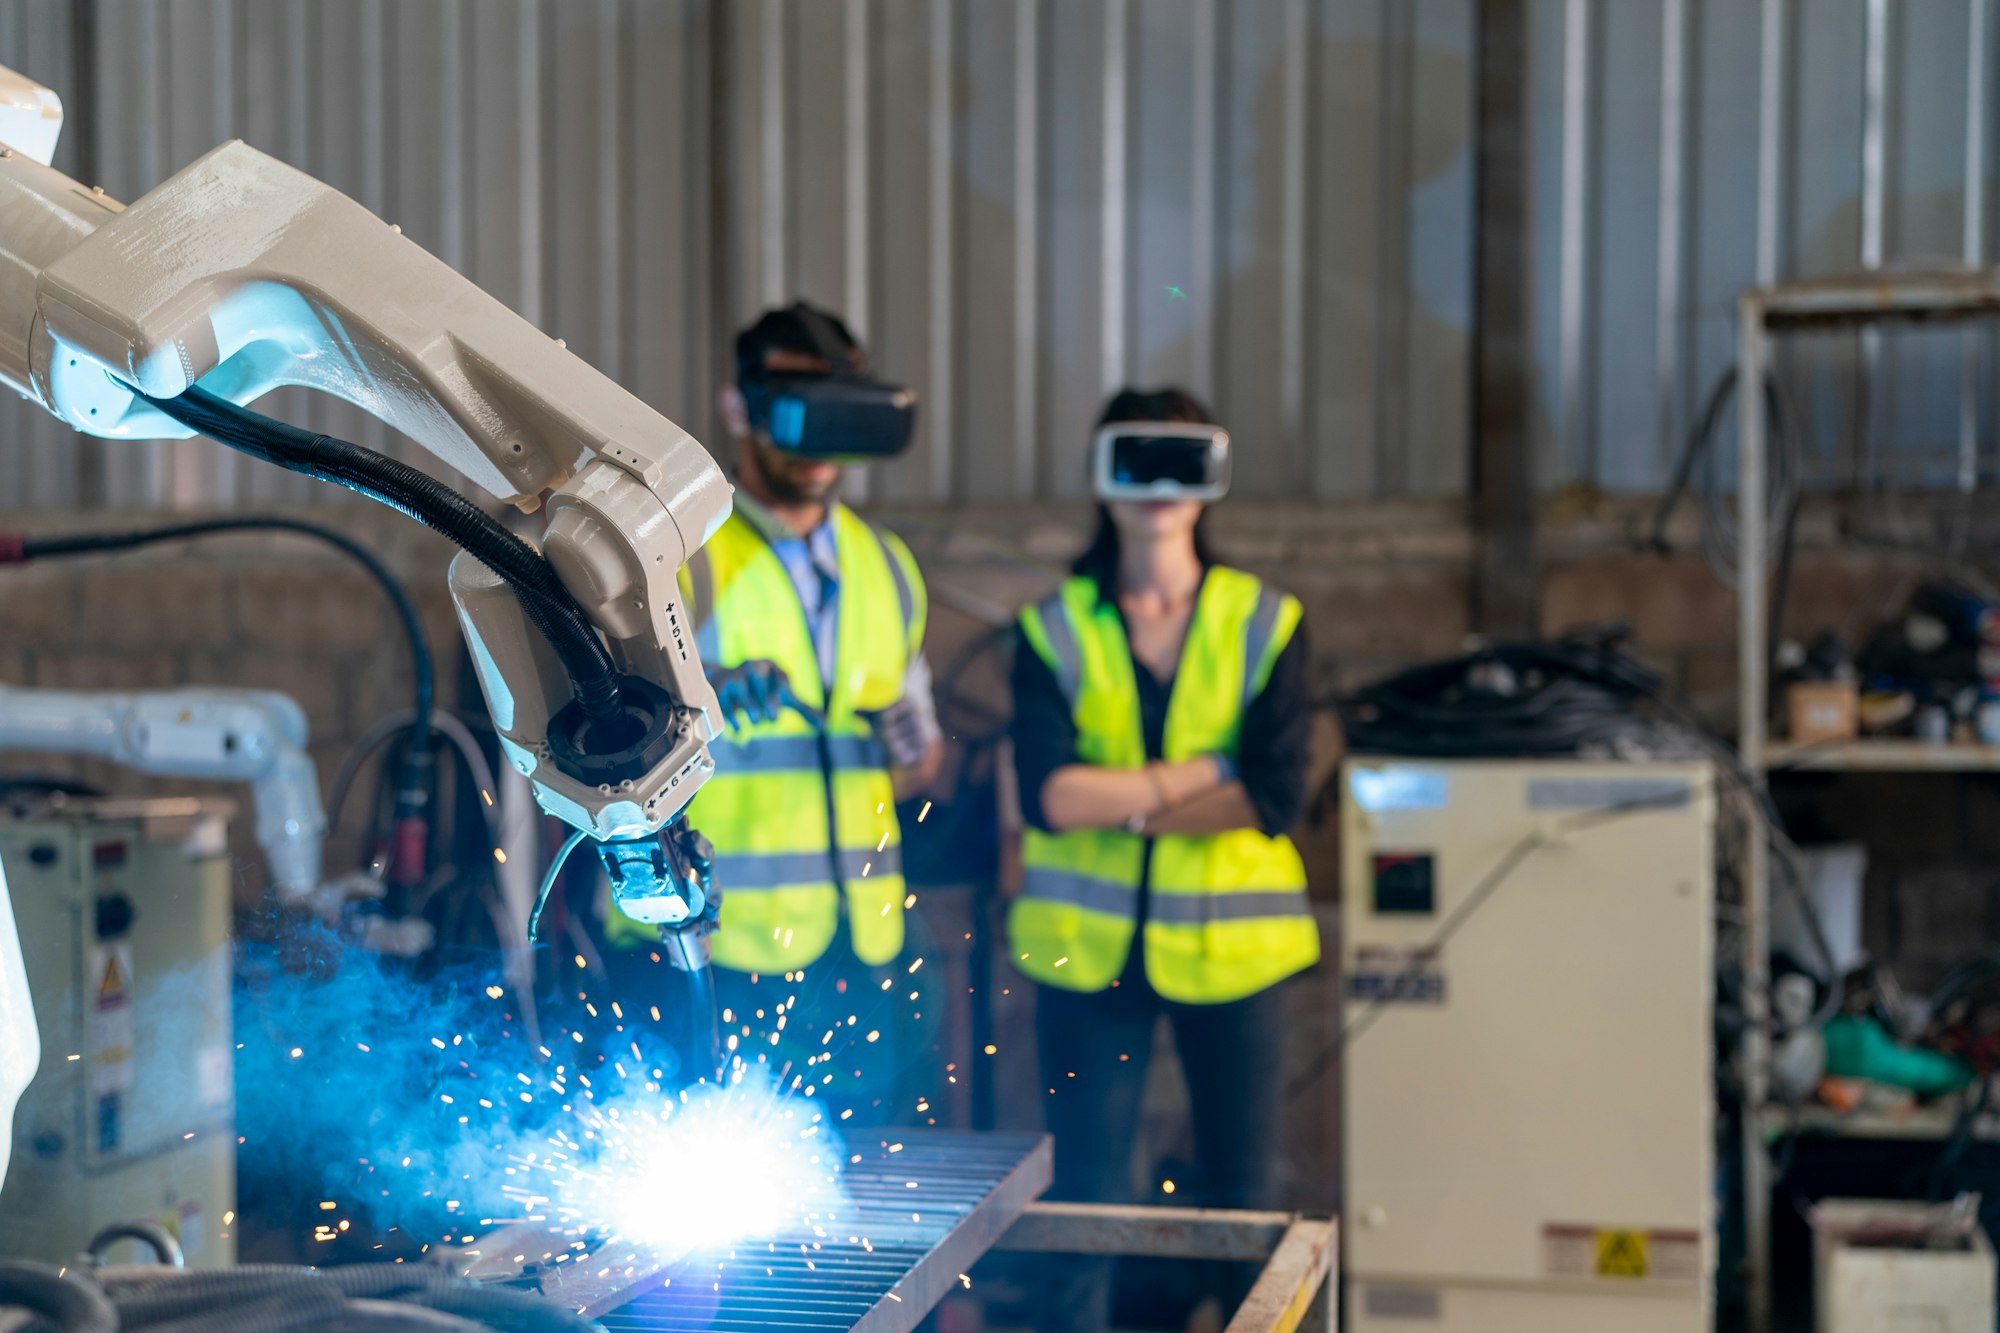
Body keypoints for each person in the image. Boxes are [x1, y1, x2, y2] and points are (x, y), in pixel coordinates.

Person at [1009, 386, 1317, 1332]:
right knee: (1087, 1196)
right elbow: (1051, 799)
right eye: (1137, 461)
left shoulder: (1266, 620)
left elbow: (1274, 795)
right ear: (1102, 478)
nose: (1159, 486)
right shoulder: (1052, 626)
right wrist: (1196, 776)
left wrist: (1124, 798)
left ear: (1212, 478)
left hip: (1238, 954)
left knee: (1244, 1193)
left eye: (1183, 462)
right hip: (1086, 949)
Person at [598, 301, 942, 1119]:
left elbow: (924, 765)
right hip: (710, 947)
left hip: (862, 948)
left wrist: (917, 743)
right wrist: (701, 687)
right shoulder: (675, 554)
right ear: (738, 406)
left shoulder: (886, 566)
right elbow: (601, 736)